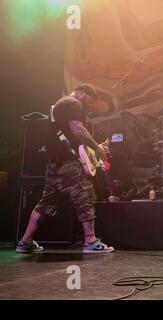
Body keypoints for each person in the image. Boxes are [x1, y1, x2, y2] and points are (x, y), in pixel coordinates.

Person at [16, 84, 114, 254]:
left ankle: (25, 242)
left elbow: (68, 134)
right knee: (85, 197)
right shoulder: (73, 103)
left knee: (45, 203)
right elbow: (77, 128)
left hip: (54, 164)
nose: (89, 105)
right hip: (69, 164)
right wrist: (97, 148)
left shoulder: (60, 104)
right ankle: (90, 242)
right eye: (89, 101)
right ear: (81, 93)